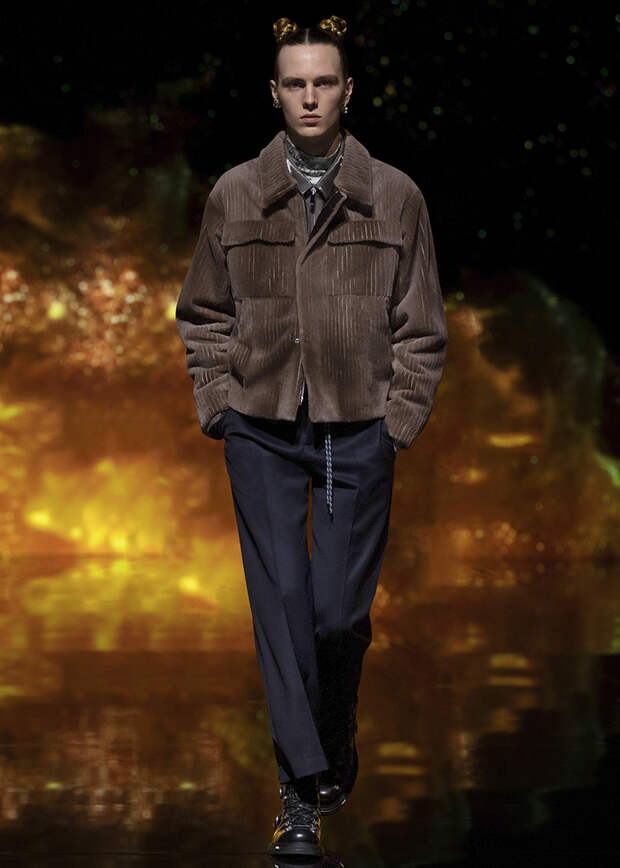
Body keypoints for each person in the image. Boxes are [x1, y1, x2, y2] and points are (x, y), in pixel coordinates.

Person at [175, 13, 449, 859]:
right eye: (294, 83)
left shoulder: (395, 195)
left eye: (323, 82)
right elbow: (203, 312)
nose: (309, 97)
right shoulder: (235, 193)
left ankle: (335, 717)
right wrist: (218, 403)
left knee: (336, 615)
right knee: (283, 608)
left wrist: (397, 419)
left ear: (347, 91)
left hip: (353, 431)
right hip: (261, 428)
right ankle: (299, 797)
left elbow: (422, 325)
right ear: (274, 92)